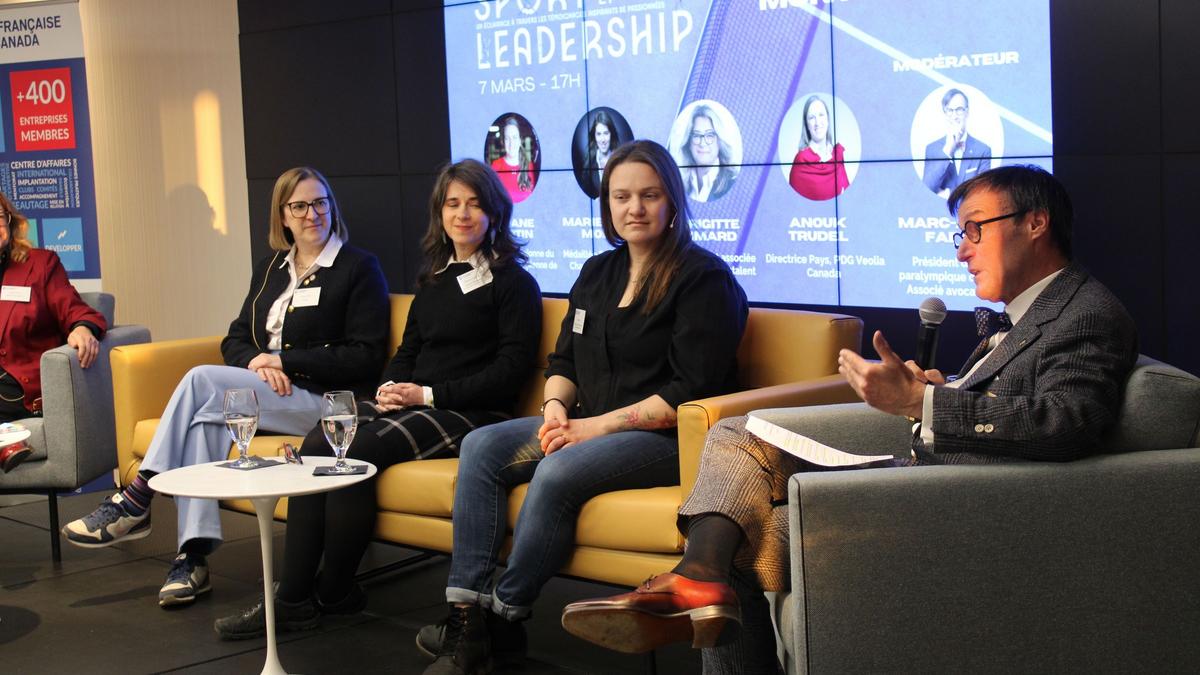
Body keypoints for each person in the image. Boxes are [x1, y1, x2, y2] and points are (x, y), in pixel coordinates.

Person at [560, 165, 1139, 671]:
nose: (962, 251)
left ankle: (699, 576)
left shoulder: (1086, 312)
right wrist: (939, 388)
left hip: (959, 506)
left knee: (738, 536)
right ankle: (700, 577)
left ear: (1035, 223)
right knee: (738, 437)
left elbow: (1065, 423)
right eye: (960, 234)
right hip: (930, 474)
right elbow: (1015, 400)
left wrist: (920, 403)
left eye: (974, 230)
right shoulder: (1033, 311)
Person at [421, 140, 749, 675]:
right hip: (586, 424)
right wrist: (555, 406)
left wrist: (590, 429)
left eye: (649, 195)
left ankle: (503, 615)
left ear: (672, 200)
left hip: (666, 440)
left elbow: (688, 391)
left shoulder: (702, 277)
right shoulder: (597, 272)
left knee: (557, 470)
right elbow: (564, 359)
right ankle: (466, 616)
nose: (634, 208)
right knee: (481, 446)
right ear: (607, 204)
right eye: (621, 196)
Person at [212, 159, 543, 639]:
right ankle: (293, 598)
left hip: (473, 413)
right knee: (320, 440)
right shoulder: (435, 278)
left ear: (495, 212)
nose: (463, 214)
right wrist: (390, 389)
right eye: (452, 204)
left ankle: (335, 591)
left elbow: (509, 373)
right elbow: (408, 351)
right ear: (440, 213)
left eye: (474, 204)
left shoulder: (514, 283)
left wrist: (427, 394)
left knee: (358, 448)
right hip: (418, 401)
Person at [62, 167, 390, 607]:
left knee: (201, 379)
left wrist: (284, 361)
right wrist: (257, 362)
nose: (312, 214)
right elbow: (234, 338)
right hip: (269, 392)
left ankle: (139, 494)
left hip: (324, 404)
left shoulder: (358, 267)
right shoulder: (272, 268)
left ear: (332, 207)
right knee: (205, 422)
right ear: (283, 216)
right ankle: (192, 557)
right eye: (299, 206)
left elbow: (365, 355)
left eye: (320, 203)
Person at [0, 191, 107, 473]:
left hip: (18, 387)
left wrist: (82, 328)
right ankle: (5, 441)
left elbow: (76, 310)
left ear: (10, 222)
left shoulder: (39, 265)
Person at [922, 88, 993, 197]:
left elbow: (983, 193)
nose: (954, 116)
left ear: (967, 112)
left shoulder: (983, 150)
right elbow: (927, 188)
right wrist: (948, 150)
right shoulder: (932, 149)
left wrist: (949, 194)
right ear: (945, 113)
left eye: (959, 109)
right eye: (950, 110)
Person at [788, 95, 850, 201]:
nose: (817, 122)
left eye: (821, 115)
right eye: (812, 118)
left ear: (828, 119)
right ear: (806, 125)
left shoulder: (838, 156)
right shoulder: (801, 161)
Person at [673, 105, 738, 203]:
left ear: (719, 141)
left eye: (709, 135)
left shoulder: (731, 183)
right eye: (696, 135)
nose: (702, 143)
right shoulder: (679, 184)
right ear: (689, 143)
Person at [490, 116, 536, 203]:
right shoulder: (495, 166)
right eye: (507, 138)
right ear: (503, 142)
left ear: (520, 140)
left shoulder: (529, 166)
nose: (511, 143)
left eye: (514, 137)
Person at [581, 110, 621, 198]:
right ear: (594, 136)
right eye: (599, 134)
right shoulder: (589, 165)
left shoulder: (621, 161)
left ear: (611, 134)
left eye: (606, 133)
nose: (603, 140)